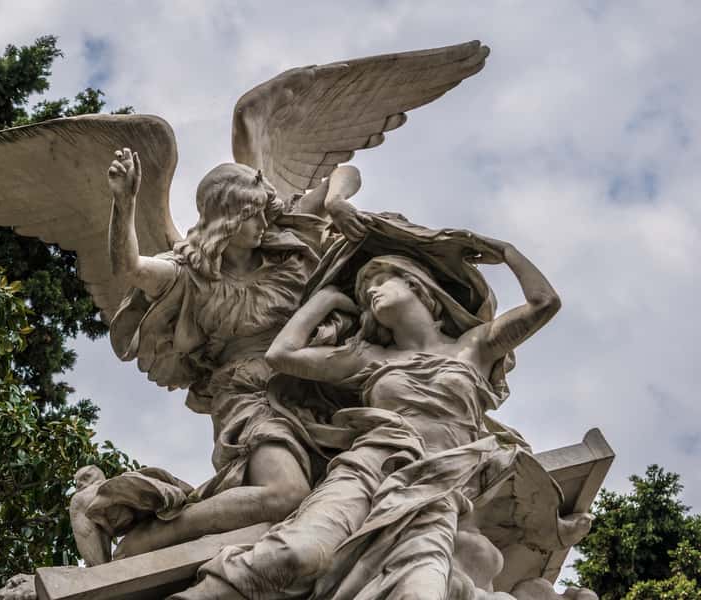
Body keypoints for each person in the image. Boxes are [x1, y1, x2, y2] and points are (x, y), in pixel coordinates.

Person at [174, 227, 576, 599]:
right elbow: (282, 355)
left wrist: (505, 250)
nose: (371, 293)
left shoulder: (474, 347)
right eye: (365, 292)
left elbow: (545, 302)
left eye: (381, 282)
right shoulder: (368, 357)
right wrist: (325, 299)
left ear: (417, 285)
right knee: (294, 555)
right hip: (368, 468)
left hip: (437, 488)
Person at [85, 149, 367, 557]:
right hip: (249, 393)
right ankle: (152, 537)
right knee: (286, 494)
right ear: (229, 218)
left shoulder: (284, 243)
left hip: (318, 381)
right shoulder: (191, 276)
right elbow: (131, 267)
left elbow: (345, 171)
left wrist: (337, 202)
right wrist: (124, 203)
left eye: (264, 213)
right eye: (253, 215)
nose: (263, 223)